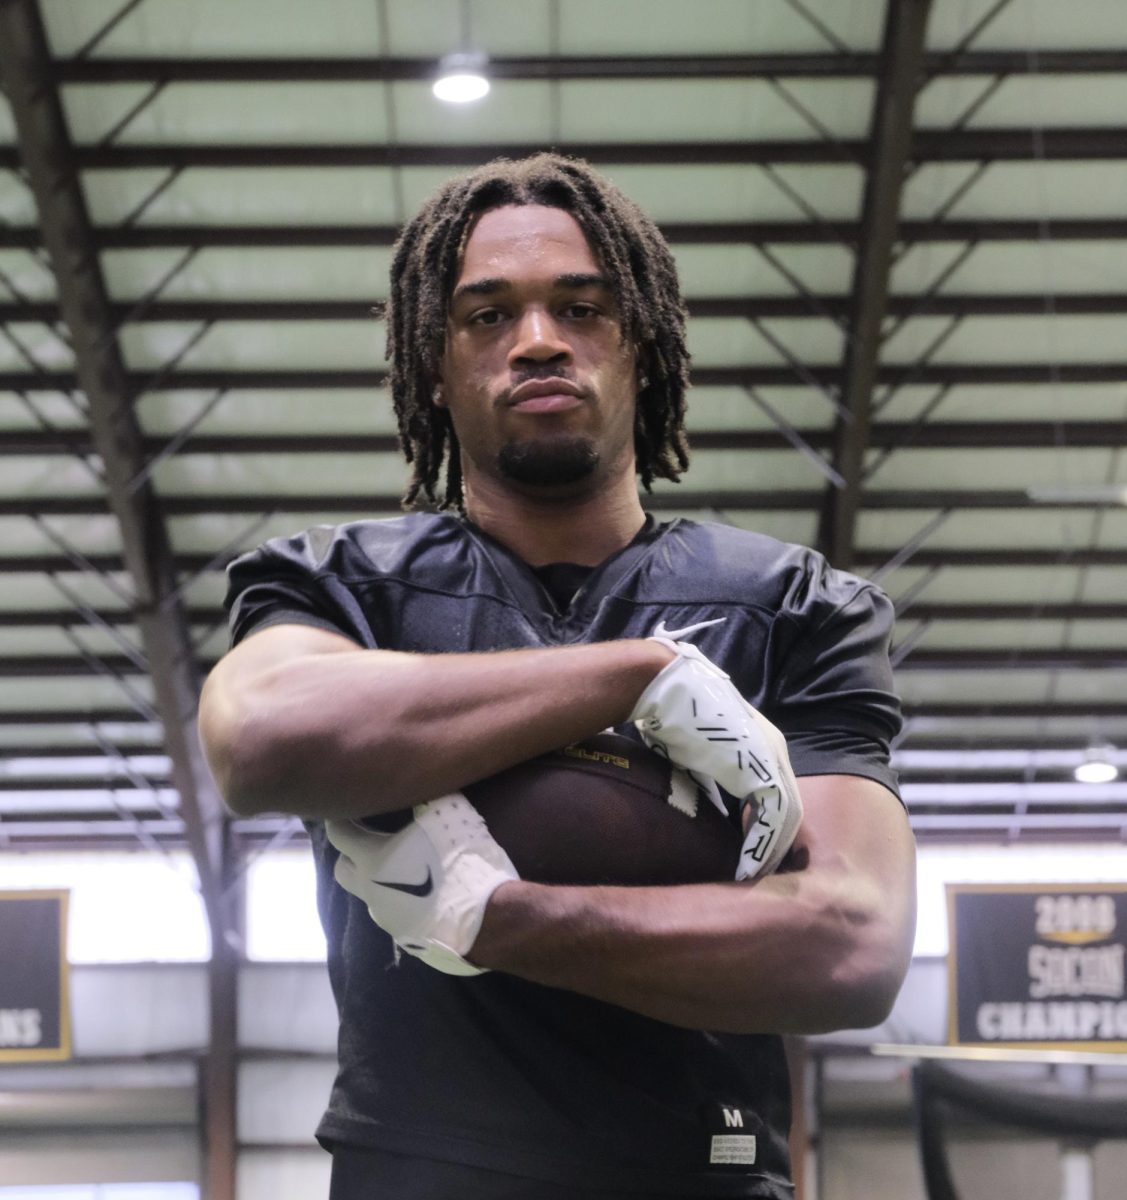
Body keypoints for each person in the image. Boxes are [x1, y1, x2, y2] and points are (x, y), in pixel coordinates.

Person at [199, 153, 916, 1199]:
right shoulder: (340, 583)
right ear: (433, 366)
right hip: (419, 1173)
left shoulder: (796, 606)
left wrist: (493, 919)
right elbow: (260, 738)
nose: (537, 339)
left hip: (700, 1174)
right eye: (486, 316)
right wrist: (636, 677)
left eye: (580, 307)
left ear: (642, 348)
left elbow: (851, 946)